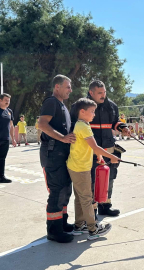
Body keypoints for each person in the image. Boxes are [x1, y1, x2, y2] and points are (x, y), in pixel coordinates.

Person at [70, 80, 129, 219]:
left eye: (104, 92)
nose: (103, 96)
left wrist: (123, 127)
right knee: (92, 180)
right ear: (91, 93)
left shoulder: (111, 106)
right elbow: (73, 124)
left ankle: (105, 206)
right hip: (90, 150)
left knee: (109, 177)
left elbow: (115, 122)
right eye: (100, 93)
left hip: (109, 148)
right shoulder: (81, 106)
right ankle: (92, 212)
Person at [67, 98, 117, 240]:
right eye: (92, 112)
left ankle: (79, 225)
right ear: (82, 112)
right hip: (80, 167)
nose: (94, 114)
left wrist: (100, 158)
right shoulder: (84, 126)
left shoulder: (81, 124)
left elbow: (90, 146)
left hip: (75, 166)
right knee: (87, 199)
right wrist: (110, 157)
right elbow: (95, 146)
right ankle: (93, 229)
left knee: (79, 197)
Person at [38, 74, 76, 243]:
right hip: (53, 154)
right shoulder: (51, 102)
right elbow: (42, 124)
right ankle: (53, 231)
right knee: (57, 191)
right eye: (67, 86)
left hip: (62, 154)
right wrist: (62, 138)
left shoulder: (62, 106)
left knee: (66, 189)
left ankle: (62, 222)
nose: (70, 90)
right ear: (57, 87)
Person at [0, 93, 17, 183]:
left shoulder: (9, 111)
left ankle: (1, 177)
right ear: (0, 100)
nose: (8, 102)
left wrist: (13, 138)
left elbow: (11, 125)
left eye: (9, 100)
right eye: (6, 100)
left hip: (5, 139)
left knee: (2, 158)